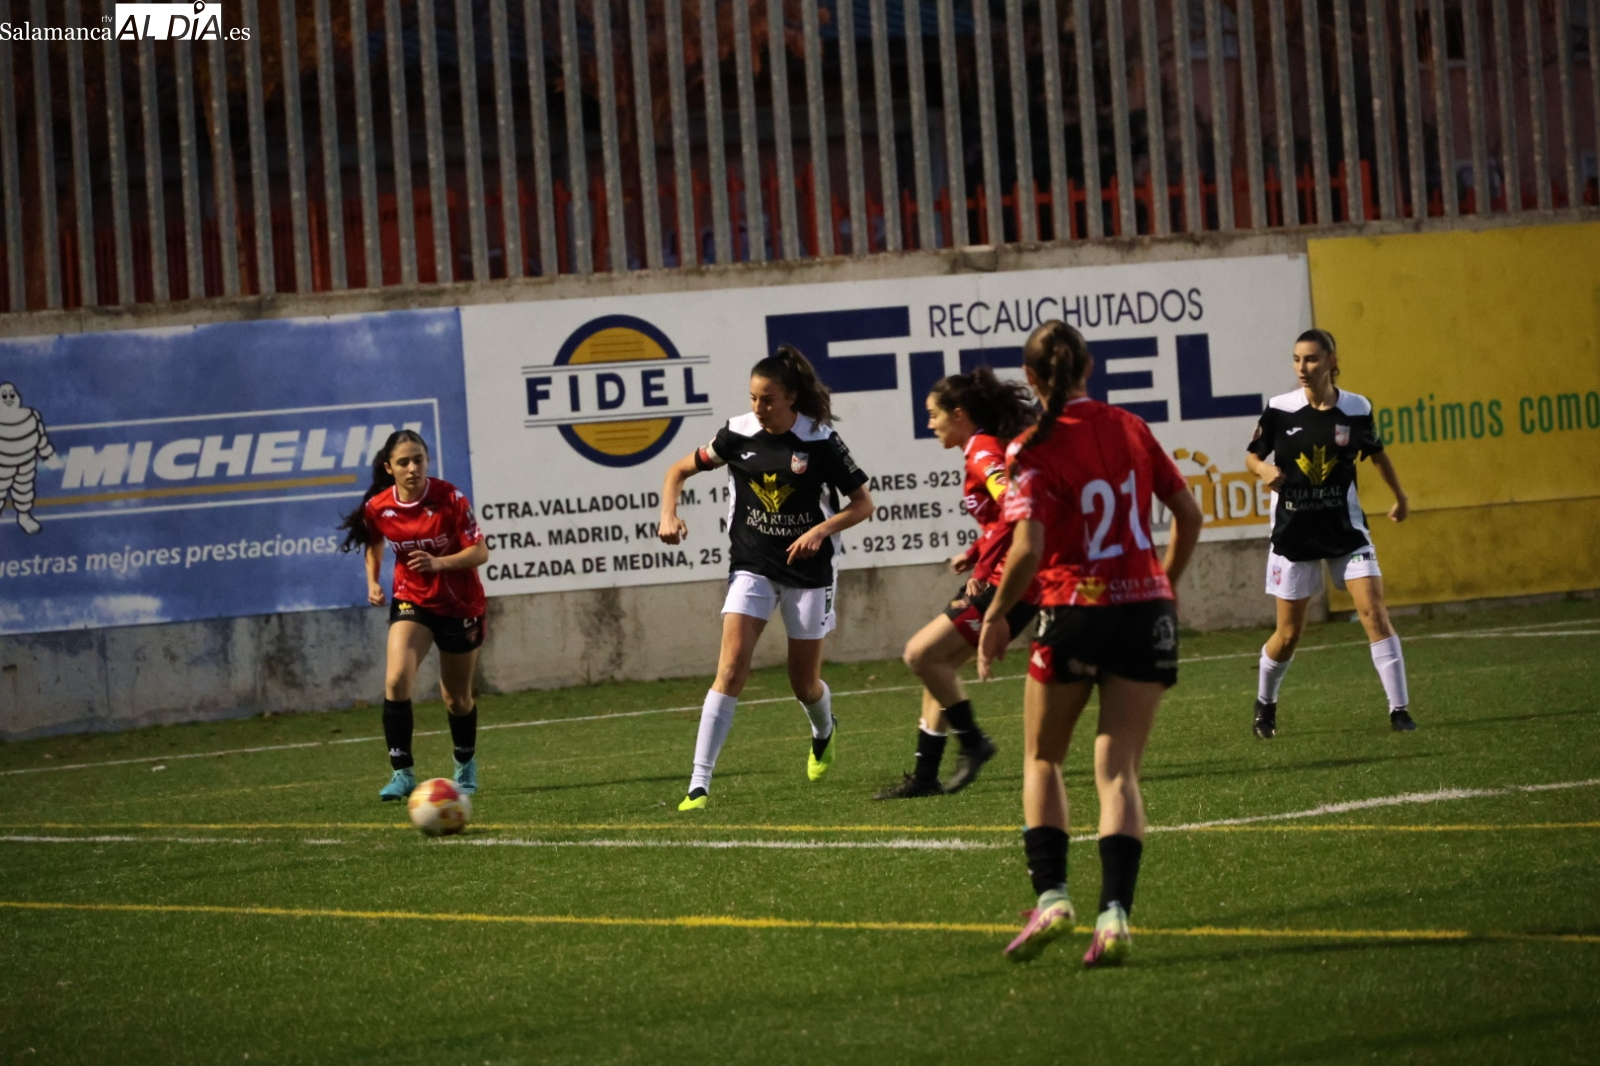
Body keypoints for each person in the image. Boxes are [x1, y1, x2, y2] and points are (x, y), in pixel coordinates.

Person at [977, 320, 1203, 967]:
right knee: (1119, 771)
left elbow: (1027, 550)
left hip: (1076, 609)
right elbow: (1189, 516)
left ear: (1031, 379)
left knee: (1044, 758)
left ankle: (1052, 898)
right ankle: (1115, 916)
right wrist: (1163, 584)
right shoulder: (1130, 427)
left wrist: (995, 614)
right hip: (1145, 607)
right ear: (1090, 367)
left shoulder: (1030, 448)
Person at [658, 345, 873, 811]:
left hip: (809, 573)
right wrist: (668, 514)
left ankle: (823, 728)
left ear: (791, 398)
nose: (758, 408)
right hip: (751, 565)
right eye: (754, 398)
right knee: (731, 668)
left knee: (803, 684)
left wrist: (820, 530)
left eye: (768, 399)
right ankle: (699, 784)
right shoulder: (736, 434)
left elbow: (862, 505)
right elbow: (677, 470)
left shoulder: (820, 440)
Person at [876, 367, 1038, 799]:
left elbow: (1014, 508)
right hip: (1008, 573)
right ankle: (925, 777)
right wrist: (977, 547)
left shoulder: (982, 452)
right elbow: (1001, 517)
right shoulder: (982, 449)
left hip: (1009, 580)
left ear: (959, 414)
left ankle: (973, 742)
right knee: (938, 668)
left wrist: (983, 570)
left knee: (920, 655)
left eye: (934, 415)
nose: (930, 425)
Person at [1245, 328, 1415, 738]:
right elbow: (1252, 456)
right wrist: (1266, 470)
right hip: (1294, 533)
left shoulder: (1357, 408)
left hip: (1345, 530)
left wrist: (1400, 496)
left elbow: (1376, 454)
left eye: (1312, 359)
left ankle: (1400, 711)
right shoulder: (1279, 409)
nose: (1303, 368)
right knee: (1288, 636)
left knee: (1374, 612)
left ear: (1332, 362)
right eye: (1297, 359)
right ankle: (1265, 704)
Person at [338, 429, 490, 802]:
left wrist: (439, 563)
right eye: (403, 462)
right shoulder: (379, 507)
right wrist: (373, 581)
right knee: (396, 680)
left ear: (427, 461)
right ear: (389, 468)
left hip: (459, 604)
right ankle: (402, 773)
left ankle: (465, 766)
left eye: (418, 460)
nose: (412, 468)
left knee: (456, 699)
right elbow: (373, 543)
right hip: (412, 600)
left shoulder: (450, 498)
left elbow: (480, 552)